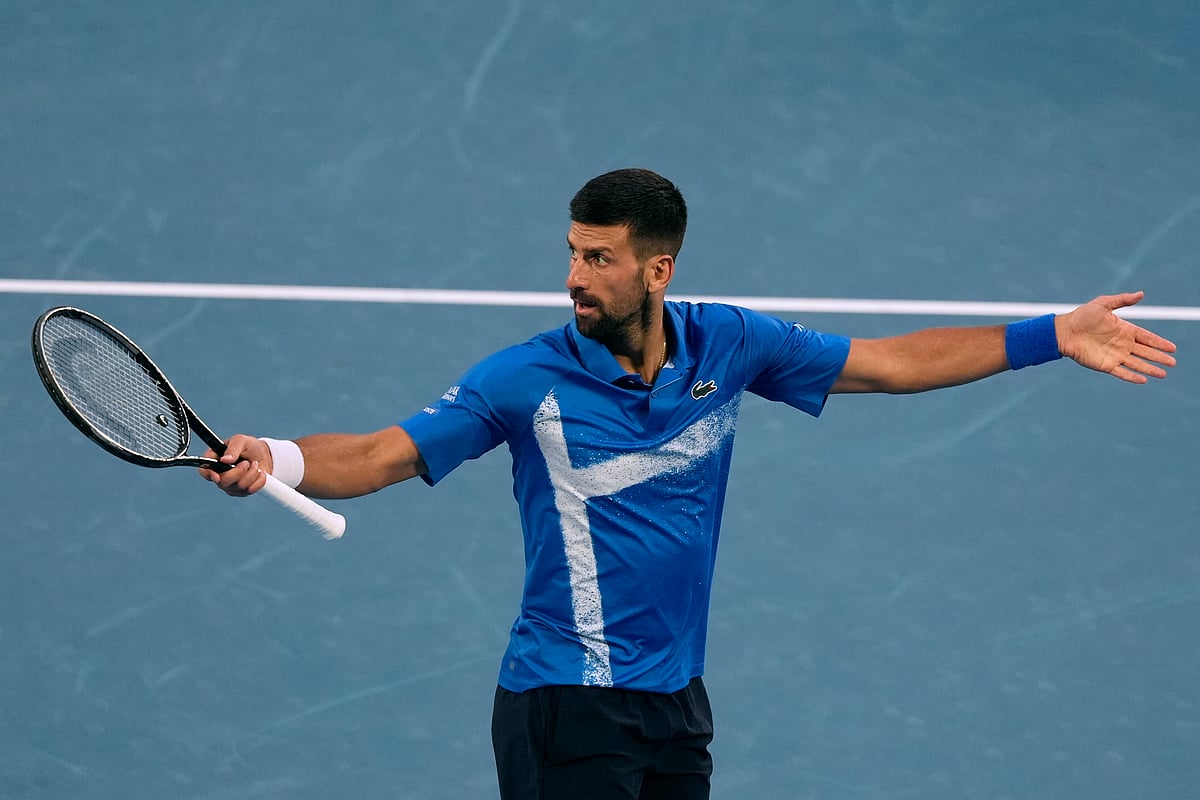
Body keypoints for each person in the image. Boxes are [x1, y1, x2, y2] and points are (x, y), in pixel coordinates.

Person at [200, 168, 1177, 799]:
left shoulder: (732, 342)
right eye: (572, 252)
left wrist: (1051, 334)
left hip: (674, 704)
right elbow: (380, 453)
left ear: (658, 267)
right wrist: (277, 456)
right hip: (566, 704)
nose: (575, 277)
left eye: (600, 258)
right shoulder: (521, 379)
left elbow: (891, 361)